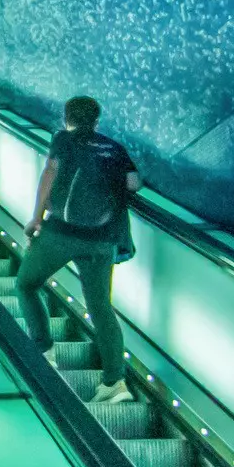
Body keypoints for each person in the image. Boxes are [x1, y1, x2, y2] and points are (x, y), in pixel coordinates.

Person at [16, 95, 140, 404]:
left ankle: (44, 349)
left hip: (62, 233)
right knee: (100, 307)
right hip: (102, 240)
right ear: (97, 122)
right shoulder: (115, 148)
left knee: (27, 283)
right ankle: (115, 383)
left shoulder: (63, 138)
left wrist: (36, 217)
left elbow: (50, 172)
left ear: (66, 118)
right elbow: (133, 184)